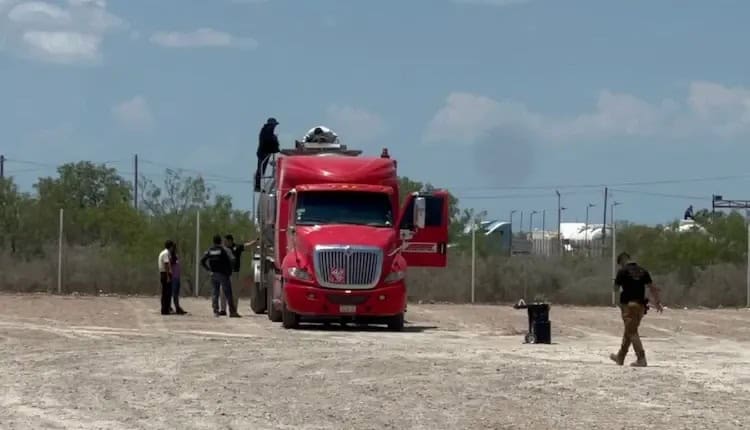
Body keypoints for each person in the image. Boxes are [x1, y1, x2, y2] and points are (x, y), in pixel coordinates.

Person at [610, 252, 663, 367]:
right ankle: (620, 357)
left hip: (628, 306)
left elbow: (615, 289)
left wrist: (619, 303)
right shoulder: (643, 270)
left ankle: (641, 358)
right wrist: (658, 303)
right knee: (629, 330)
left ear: (622, 261)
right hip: (640, 306)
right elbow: (652, 288)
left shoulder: (622, 271)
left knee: (632, 332)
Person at [201, 234, 241, 318]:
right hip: (223, 274)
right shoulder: (225, 249)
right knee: (228, 293)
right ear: (220, 241)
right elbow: (233, 260)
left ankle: (216, 311)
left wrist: (208, 270)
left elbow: (202, 261)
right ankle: (232, 312)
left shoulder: (210, 250)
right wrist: (229, 269)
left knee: (215, 293)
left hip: (213, 274)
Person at [219, 234, 258, 315]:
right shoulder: (223, 249)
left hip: (234, 273)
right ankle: (223, 310)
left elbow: (247, 245)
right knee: (223, 291)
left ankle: (233, 310)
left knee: (234, 293)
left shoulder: (237, 247)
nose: (224, 243)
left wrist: (255, 241)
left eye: (226, 241)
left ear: (230, 241)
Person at [255, 117, 280, 192]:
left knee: (262, 170)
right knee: (261, 169)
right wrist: (274, 140)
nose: (274, 126)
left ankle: (259, 186)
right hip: (263, 152)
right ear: (271, 124)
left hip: (265, 152)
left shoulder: (267, 131)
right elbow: (268, 142)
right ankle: (258, 186)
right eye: (274, 125)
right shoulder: (267, 131)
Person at [169, 243, 187, 315]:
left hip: (177, 277)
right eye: (174, 248)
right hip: (173, 277)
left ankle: (177, 307)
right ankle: (171, 307)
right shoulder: (170, 256)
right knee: (173, 293)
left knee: (176, 293)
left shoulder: (176, 256)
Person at [158, 240, 174, 315]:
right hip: (165, 274)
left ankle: (165, 309)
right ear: (170, 246)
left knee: (166, 292)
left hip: (164, 273)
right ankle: (165, 310)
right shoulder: (166, 253)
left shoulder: (164, 252)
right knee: (166, 293)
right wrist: (168, 276)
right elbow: (166, 264)